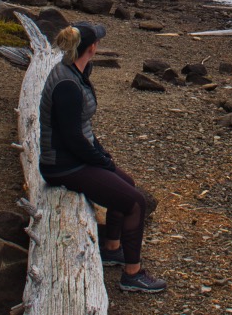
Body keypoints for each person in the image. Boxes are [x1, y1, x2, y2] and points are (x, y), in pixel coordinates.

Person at [38, 22, 167, 294]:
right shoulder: (67, 85)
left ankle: (112, 248)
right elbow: (72, 138)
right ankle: (132, 274)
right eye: (97, 40)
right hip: (62, 165)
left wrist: (102, 155)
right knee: (135, 203)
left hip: (73, 158)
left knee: (127, 184)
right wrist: (102, 161)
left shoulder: (76, 71)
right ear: (91, 48)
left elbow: (81, 130)